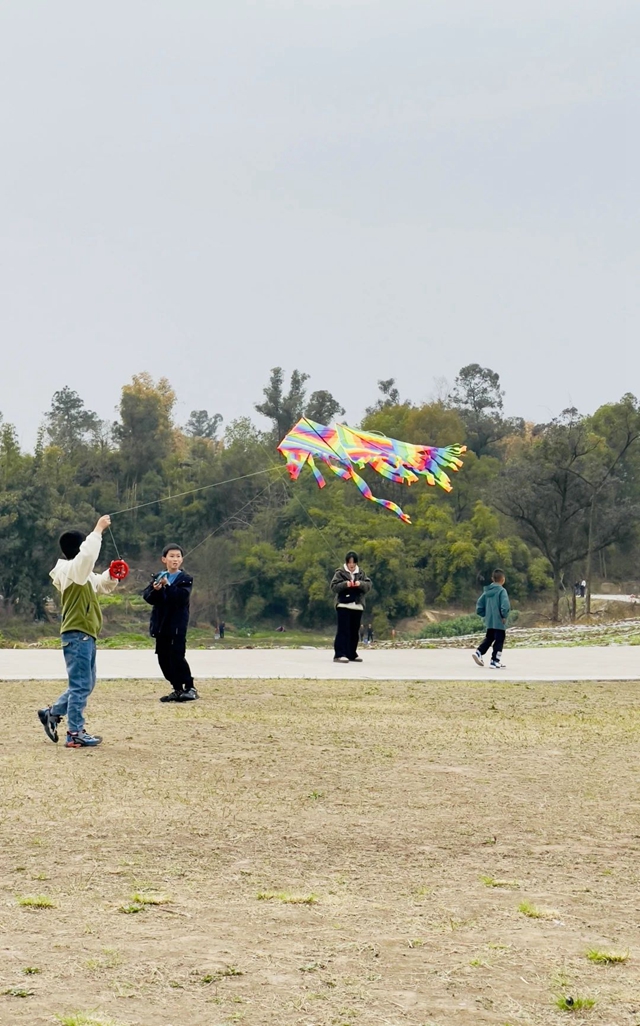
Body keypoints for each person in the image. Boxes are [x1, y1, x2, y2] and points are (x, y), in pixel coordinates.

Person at [37, 514, 126, 748]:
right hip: (77, 635)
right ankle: (75, 732)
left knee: (86, 683)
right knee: (80, 686)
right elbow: (87, 557)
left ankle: (52, 713)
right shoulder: (70, 571)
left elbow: (102, 585)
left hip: (86, 635)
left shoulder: (82, 575)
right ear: (80, 548)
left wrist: (112, 574)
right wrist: (98, 530)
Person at [142, 544, 198, 703]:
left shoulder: (185, 579)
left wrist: (167, 585)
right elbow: (148, 598)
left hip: (177, 626)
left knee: (177, 656)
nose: (175, 559)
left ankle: (189, 688)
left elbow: (180, 597)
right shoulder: (158, 576)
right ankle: (177, 688)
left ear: (182, 560)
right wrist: (156, 589)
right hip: (161, 625)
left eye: (178, 556)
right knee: (163, 659)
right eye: (172, 556)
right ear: (164, 559)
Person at [330, 550, 372, 663]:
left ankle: (351, 653)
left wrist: (360, 584)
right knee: (343, 630)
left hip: (357, 606)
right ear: (346, 563)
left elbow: (368, 585)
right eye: (350, 563)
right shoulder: (340, 573)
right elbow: (333, 586)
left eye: (353, 563)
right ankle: (339, 654)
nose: (352, 565)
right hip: (343, 605)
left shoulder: (361, 573)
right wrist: (346, 584)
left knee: (354, 631)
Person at [472, 568, 510, 669]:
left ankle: (479, 652)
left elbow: (479, 606)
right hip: (499, 621)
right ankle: (495, 660)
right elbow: (505, 606)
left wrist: (486, 614)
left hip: (489, 621)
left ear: (493, 579)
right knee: (499, 640)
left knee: (489, 638)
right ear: (503, 579)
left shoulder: (486, 592)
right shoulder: (502, 591)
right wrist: (504, 616)